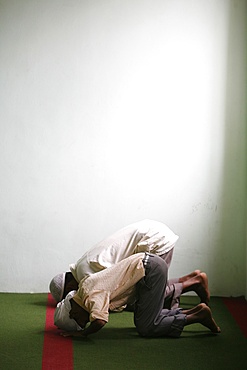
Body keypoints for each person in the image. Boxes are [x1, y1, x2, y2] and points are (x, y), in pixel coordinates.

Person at [50, 219, 208, 309]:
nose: (72, 297)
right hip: (154, 233)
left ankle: (193, 284)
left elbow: (107, 300)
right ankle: (193, 278)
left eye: (68, 295)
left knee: (143, 300)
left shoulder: (86, 277)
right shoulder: (81, 265)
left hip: (155, 243)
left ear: (70, 286)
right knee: (147, 287)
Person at [54, 253, 220, 338]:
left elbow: (100, 321)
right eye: (82, 326)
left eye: (81, 322)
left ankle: (196, 317)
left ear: (73, 312)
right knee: (144, 318)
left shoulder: (89, 296)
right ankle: (197, 312)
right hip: (148, 267)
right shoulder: (84, 288)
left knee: (146, 327)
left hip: (149, 270)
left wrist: (83, 334)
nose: (84, 323)